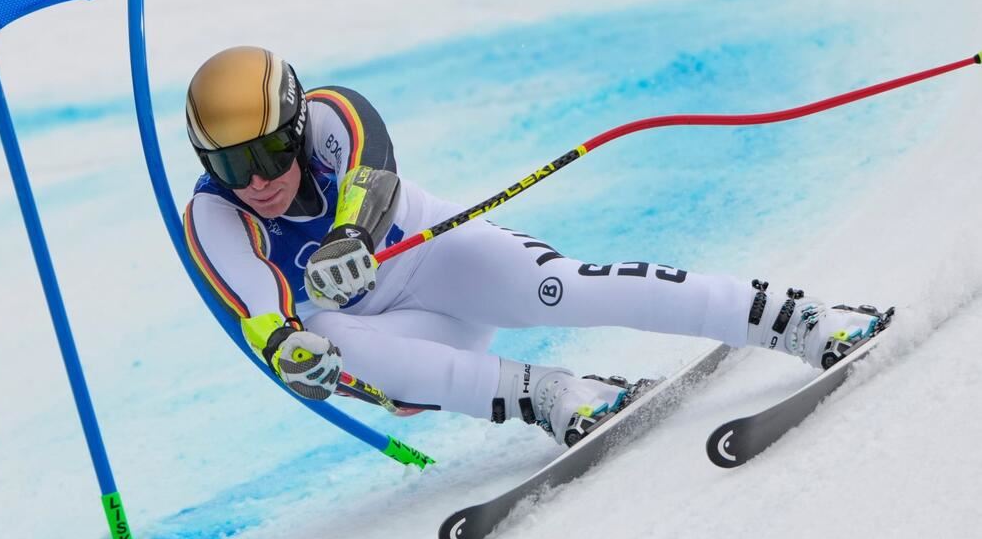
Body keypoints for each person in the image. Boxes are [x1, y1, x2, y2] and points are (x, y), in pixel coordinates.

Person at [182, 45, 883, 446]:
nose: (259, 181)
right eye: (230, 165)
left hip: (443, 260)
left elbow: (375, 166)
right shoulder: (214, 216)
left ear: (299, 126)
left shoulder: (333, 114)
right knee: (328, 332)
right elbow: (261, 310)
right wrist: (289, 351)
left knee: (566, 288)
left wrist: (353, 235)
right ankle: (556, 399)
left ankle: (798, 320)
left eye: (272, 152)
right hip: (401, 338)